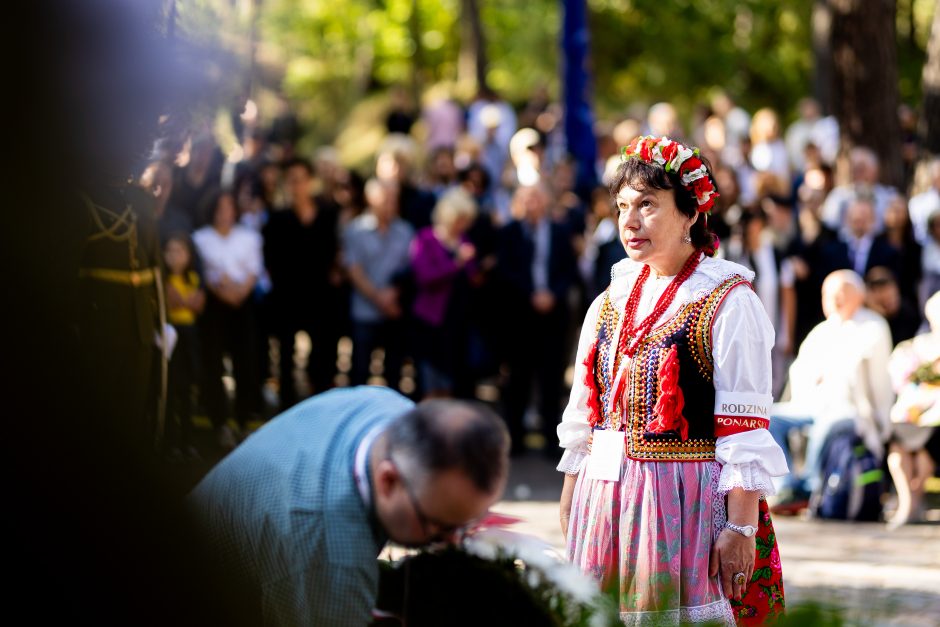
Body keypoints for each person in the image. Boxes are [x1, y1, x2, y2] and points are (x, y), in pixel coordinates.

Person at [557, 136, 788, 625]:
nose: (630, 221)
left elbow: (743, 426)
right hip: (606, 498)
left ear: (689, 214)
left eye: (647, 205)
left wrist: (742, 527)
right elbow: (585, 412)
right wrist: (572, 496)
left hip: (682, 507)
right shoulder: (610, 300)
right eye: (622, 206)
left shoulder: (728, 300)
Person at [189, 386, 510, 626]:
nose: (455, 540)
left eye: (469, 521)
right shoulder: (331, 556)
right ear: (388, 481)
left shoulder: (392, 411)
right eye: (440, 524)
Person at [769, 270, 894, 508]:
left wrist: (882, 423)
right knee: (769, 418)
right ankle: (786, 486)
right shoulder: (821, 331)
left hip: (851, 411)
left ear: (857, 296)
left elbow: (879, 381)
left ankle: (809, 488)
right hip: (812, 406)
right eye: (827, 294)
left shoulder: (873, 327)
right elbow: (800, 374)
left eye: (840, 293)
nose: (833, 299)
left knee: (827, 425)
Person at [263, 157, 342, 409]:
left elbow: (336, 254)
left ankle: (321, 405)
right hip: (287, 297)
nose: (296, 186)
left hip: (320, 297)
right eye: (291, 181)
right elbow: (270, 258)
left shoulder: (329, 215)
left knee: (322, 355)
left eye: (301, 179)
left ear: (310, 181)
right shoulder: (277, 219)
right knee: (285, 356)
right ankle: (286, 407)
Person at [193, 190, 264, 449]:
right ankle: (220, 421)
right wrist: (223, 292)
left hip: (243, 306)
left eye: (229, 207)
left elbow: (253, 271)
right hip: (214, 308)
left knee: (245, 361)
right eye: (220, 208)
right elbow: (207, 274)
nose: (225, 213)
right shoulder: (200, 238)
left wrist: (238, 293)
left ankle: (245, 419)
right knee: (214, 363)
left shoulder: (249, 237)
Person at [344, 178, 415, 391]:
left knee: (394, 372)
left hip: (394, 311)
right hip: (365, 312)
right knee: (360, 371)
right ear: (371, 199)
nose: (391, 204)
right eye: (386, 199)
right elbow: (353, 270)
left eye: (394, 199)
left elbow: (409, 268)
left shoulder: (405, 230)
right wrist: (378, 298)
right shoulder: (355, 230)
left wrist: (394, 295)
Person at [409, 188, 479, 398]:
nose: (463, 225)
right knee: (430, 381)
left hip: (457, 323)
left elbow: (472, 277)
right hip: (431, 322)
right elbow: (425, 277)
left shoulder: (463, 241)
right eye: (460, 219)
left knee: (451, 382)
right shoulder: (426, 239)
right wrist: (456, 263)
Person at [885, 291, 940, 528]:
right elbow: (900, 381)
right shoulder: (916, 345)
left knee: (926, 450)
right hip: (912, 415)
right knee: (897, 450)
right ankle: (909, 503)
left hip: (936, 420)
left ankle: (911, 504)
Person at [163, 233, 205, 461]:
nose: (174, 256)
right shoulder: (164, 280)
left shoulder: (194, 277)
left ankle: (187, 441)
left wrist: (185, 301)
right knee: (170, 391)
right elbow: (176, 301)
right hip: (171, 337)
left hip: (190, 338)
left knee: (188, 392)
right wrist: (186, 301)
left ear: (189, 255)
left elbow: (197, 304)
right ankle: (171, 442)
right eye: (169, 251)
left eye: (179, 251)